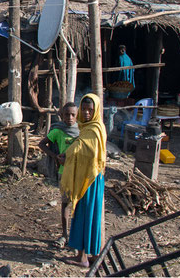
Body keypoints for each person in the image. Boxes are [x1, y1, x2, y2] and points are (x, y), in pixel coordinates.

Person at [58, 94, 106, 268]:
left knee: (85, 215)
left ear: (96, 110)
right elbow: (80, 146)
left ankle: (82, 257)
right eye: (84, 109)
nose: (86, 113)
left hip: (89, 179)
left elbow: (87, 152)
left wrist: (68, 155)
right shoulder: (86, 128)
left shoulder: (94, 129)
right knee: (90, 216)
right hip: (89, 177)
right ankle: (93, 254)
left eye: (90, 110)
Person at [37, 102, 79, 248]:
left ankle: (77, 236)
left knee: (79, 205)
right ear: (61, 115)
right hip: (64, 172)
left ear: (77, 115)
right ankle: (64, 235)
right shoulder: (57, 131)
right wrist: (55, 156)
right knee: (66, 204)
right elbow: (41, 144)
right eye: (67, 114)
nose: (70, 117)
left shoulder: (82, 130)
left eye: (73, 114)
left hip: (80, 173)